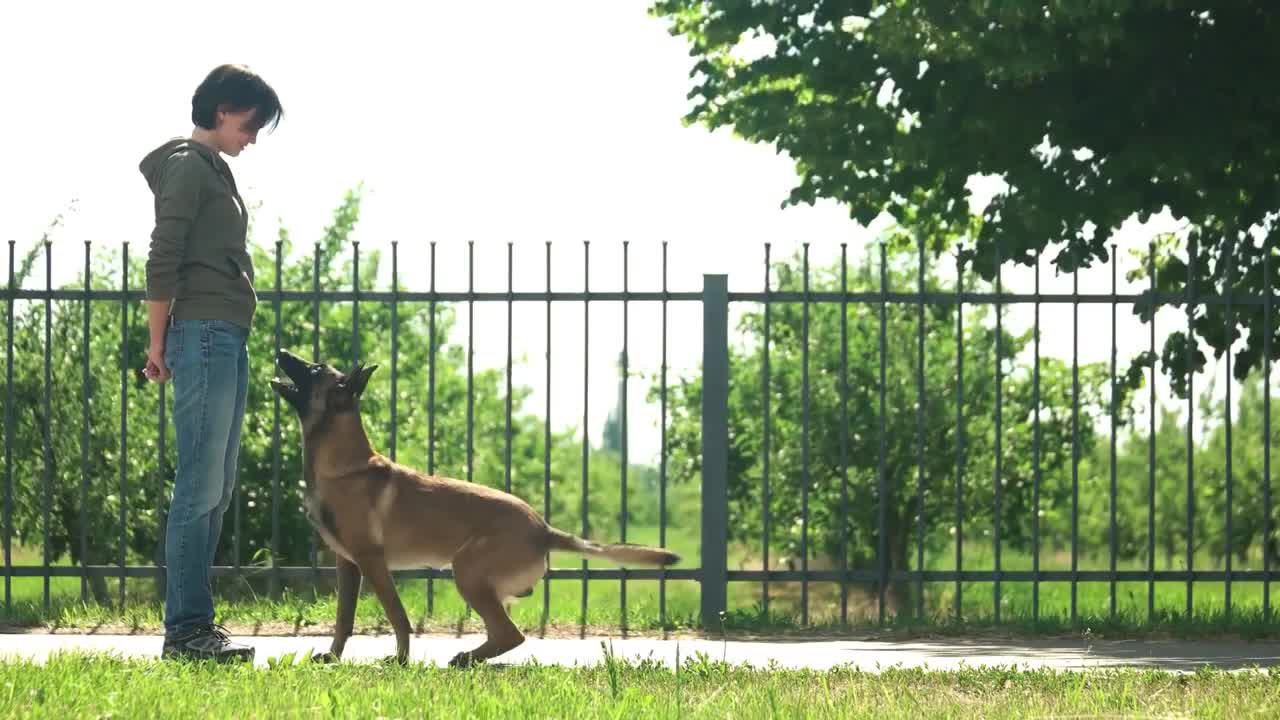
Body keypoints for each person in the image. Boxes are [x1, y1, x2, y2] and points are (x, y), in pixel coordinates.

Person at [140, 63, 282, 662]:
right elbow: (163, 253)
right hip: (199, 336)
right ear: (223, 109)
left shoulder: (212, 171)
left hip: (223, 335)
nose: (253, 136)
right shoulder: (185, 167)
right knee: (199, 485)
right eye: (252, 123)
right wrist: (156, 342)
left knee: (216, 487)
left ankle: (196, 626)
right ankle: (186, 633)